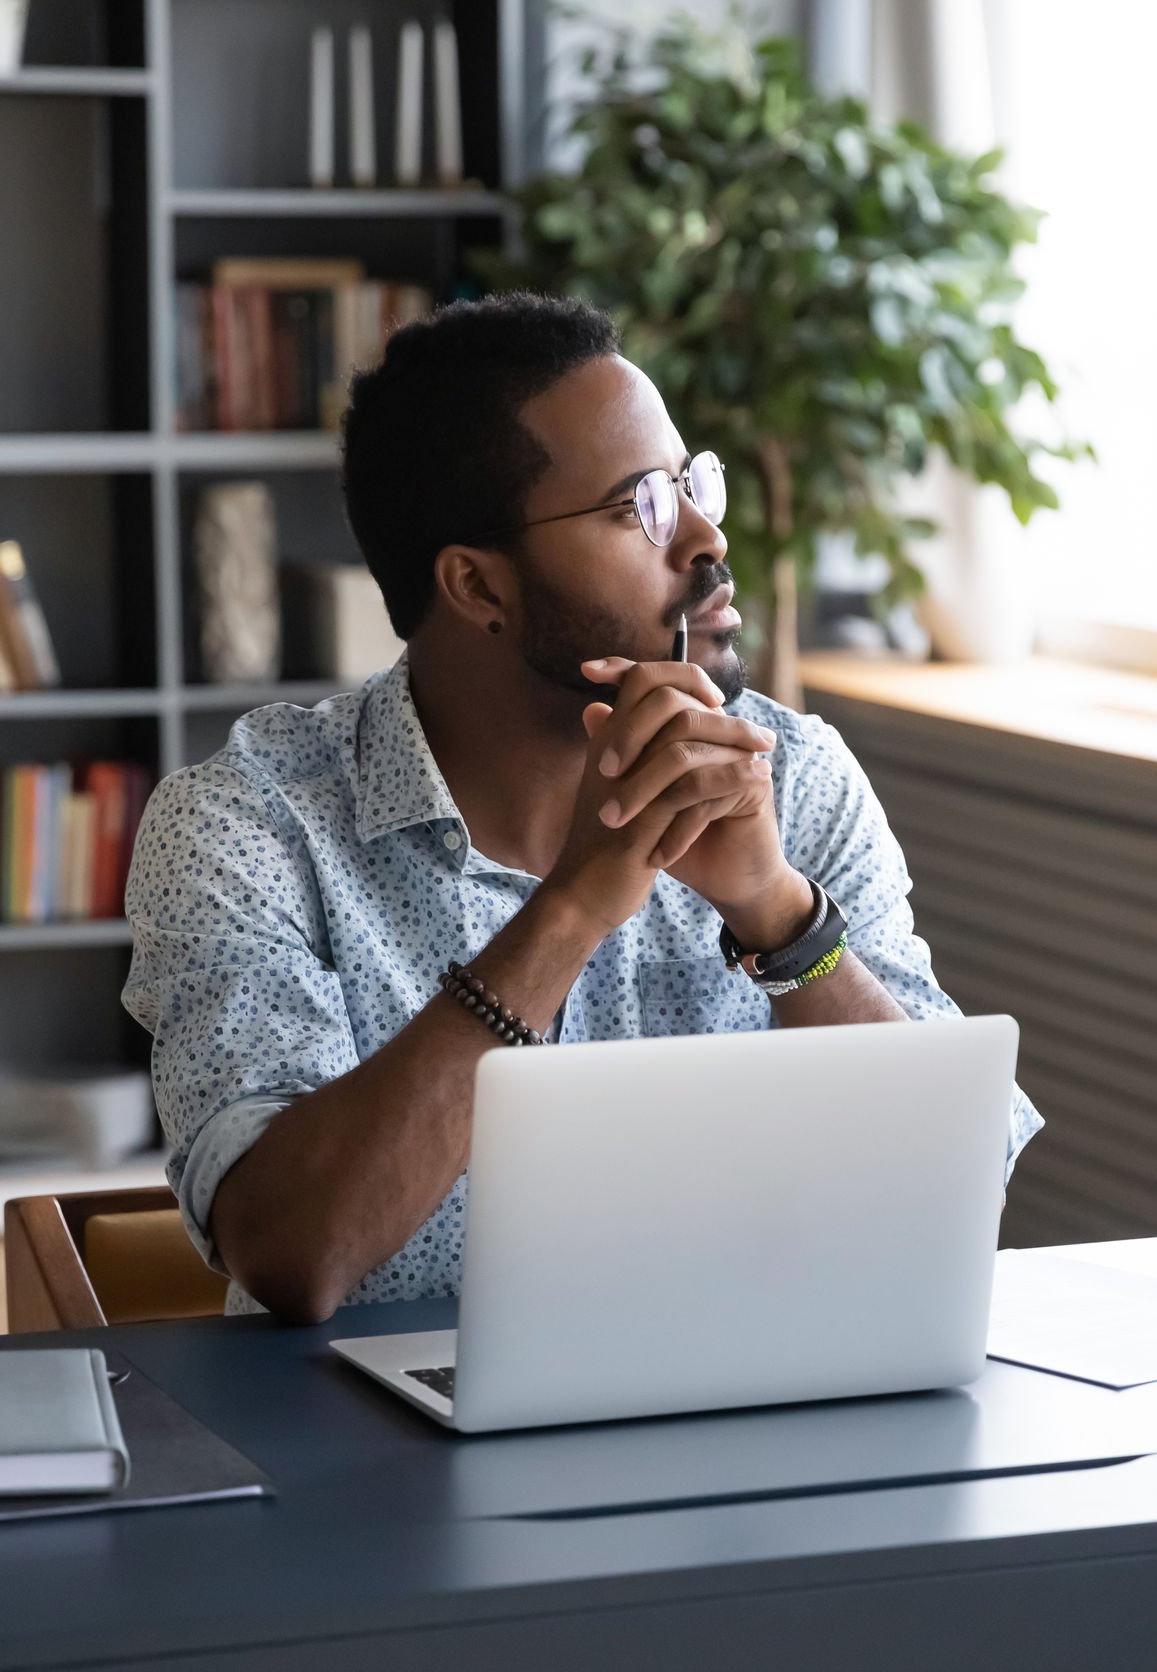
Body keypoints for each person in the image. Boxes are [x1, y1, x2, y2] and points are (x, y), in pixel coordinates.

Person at [122, 293, 1041, 1323]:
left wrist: (779, 915)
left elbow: (968, 1193)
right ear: (478, 586)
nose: (705, 538)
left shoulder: (795, 778)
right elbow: (295, 1253)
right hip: (379, 1450)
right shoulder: (250, 824)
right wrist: (569, 911)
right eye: (637, 506)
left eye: (696, 485)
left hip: (758, 1419)